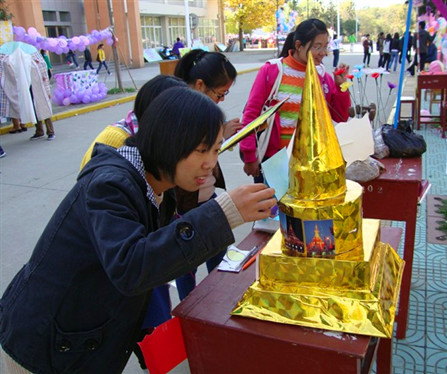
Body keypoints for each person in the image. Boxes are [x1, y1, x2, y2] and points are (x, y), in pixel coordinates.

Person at [0, 86, 277, 374]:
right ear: (168, 141)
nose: (210, 163)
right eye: (201, 150)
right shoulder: (110, 184)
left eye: (217, 149)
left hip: (83, 342)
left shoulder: (161, 186)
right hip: (46, 346)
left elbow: (158, 256)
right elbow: (131, 266)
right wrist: (223, 212)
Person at [79, 74, 188, 370]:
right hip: (121, 245)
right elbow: (91, 193)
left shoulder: (159, 159)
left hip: (142, 246)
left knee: (155, 310)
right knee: (145, 315)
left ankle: (157, 356)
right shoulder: (117, 149)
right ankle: (152, 353)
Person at [240, 18, 351, 182]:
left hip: (311, 163)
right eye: (317, 46)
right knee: (273, 207)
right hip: (275, 161)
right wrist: (250, 156)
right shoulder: (273, 71)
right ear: (298, 45)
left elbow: (341, 117)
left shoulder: (323, 77)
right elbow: (251, 115)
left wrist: (343, 88)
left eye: (325, 46)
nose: (323, 52)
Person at [173, 49, 242, 301]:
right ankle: (188, 310)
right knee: (186, 263)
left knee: (218, 252)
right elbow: (187, 157)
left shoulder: (203, 109)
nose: (221, 100)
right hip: (186, 204)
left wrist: (223, 134)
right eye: (219, 93)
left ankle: (218, 303)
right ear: (200, 85)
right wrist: (220, 135)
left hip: (208, 196)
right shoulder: (179, 110)